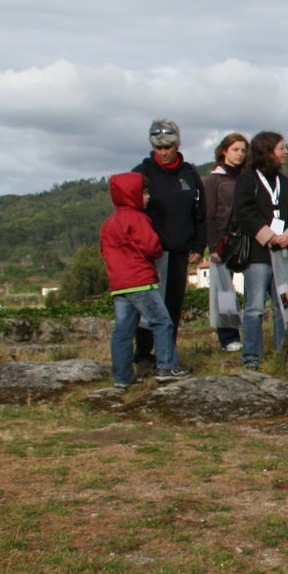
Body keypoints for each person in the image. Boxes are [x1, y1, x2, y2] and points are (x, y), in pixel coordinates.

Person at [102, 172, 189, 386]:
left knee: (123, 330)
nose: (148, 196)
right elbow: (152, 247)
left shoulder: (109, 223)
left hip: (119, 285)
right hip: (141, 281)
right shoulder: (138, 218)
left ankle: (122, 377)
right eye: (145, 192)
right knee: (162, 322)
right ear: (132, 195)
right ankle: (166, 367)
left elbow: (104, 250)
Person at [132, 118, 204, 368]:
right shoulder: (141, 173)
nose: (163, 152)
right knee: (148, 307)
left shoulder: (190, 174)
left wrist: (199, 246)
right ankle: (143, 355)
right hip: (150, 253)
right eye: (158, 148)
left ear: (177, 145)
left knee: (172, 306)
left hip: (179, 251)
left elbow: (200, 212)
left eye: (168, 147)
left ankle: (167, 355)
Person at [230, 131, 288, 371]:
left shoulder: (286, 183)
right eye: (282, 148)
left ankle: (283, 350)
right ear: (268, 151)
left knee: (287, 304)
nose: (286, 152)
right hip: (257, 255)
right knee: (255, 307)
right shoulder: (247, 180)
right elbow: (243, 212)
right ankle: (252, 355)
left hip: (284, 254)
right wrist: (267, 235)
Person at [203, 132, 247, 352]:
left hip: (247, 238)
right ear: (224, 151)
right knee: (225, 291)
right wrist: (213, 246)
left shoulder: (248, 177)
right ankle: (229, 337)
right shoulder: (213, 179)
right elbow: (208, 214)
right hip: (224, 241)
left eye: (243, 150)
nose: (240, 154)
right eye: (235, 149)